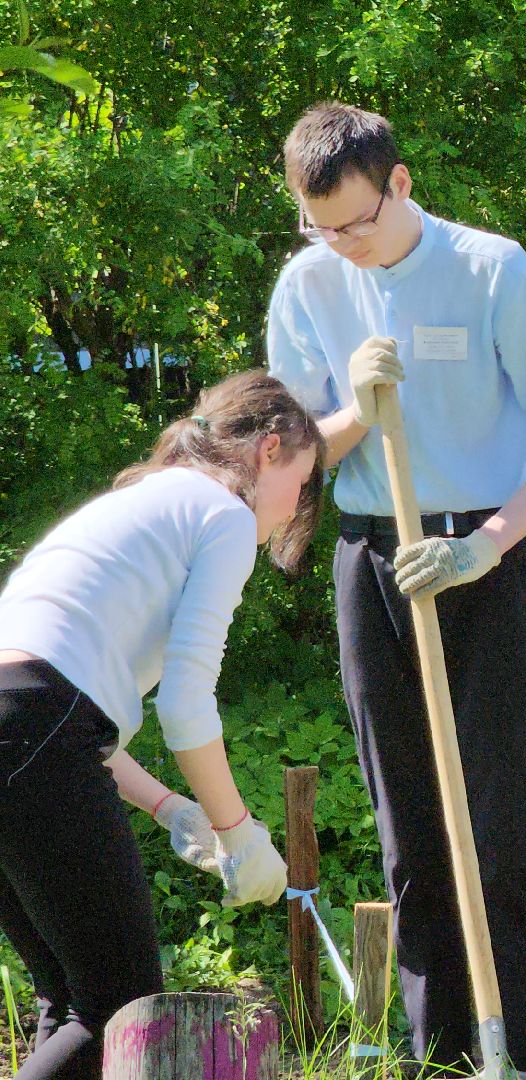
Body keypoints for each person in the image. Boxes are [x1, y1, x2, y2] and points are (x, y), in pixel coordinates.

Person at [265, 101, 526, 1078]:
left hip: (481, 560)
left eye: (356, 224)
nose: (339, 245)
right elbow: (289, 460)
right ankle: (441, 1059)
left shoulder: (492, 272)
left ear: (400, 184)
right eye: (319, 227)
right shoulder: (308, 283)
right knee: (408, 832)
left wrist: (493, 543)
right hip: (373, 558)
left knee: (497, 827)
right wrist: (353, 415)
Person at [0, 371, 320, 1080]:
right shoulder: (224, 513)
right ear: (270, 450)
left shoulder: (146, 499)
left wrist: (171, 808)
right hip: (31, 731)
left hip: (26, 724)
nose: (298, 506)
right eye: (302, 481)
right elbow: (183, 704)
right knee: (115, 1006)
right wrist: (239, 830)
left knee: (70, 1000)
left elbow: (55, 707)